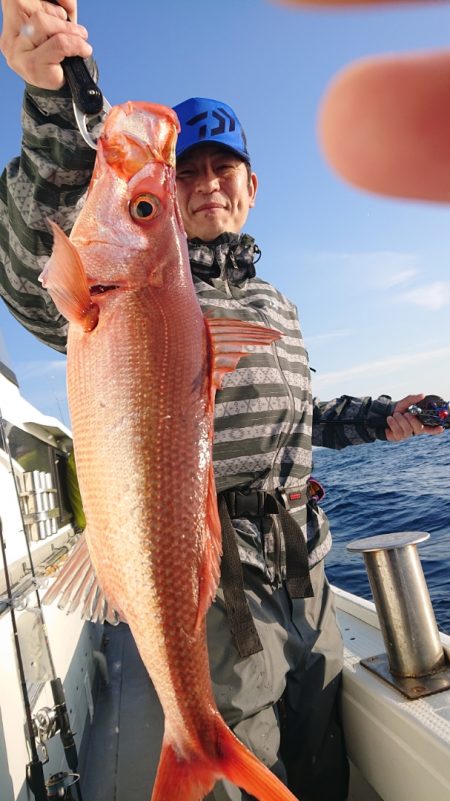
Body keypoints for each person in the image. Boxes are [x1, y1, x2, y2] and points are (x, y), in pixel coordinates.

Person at [0, 3, 445, 801]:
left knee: (321, 750)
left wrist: (383, 416)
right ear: (170, 196)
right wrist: (53, 97)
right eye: (188, 172)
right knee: (249, 758)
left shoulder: (274, 300)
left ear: (251, 185)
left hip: (303, 575)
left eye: (222, 168)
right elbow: (42, 265)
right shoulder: (163, 281)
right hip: (211, 580)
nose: (205, 183)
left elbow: (295, 419)